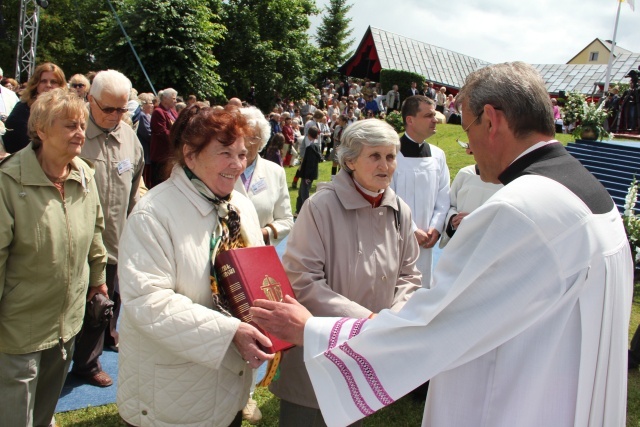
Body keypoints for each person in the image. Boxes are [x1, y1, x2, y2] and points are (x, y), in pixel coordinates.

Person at [251, 61, 633, 427]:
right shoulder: (584, 193)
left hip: (516, 404)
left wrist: (316, 331)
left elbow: (436, 326)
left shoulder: (519, 210)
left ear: (492, 120)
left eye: (466, 128)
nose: (466, 144)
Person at [116, 105, 273, 427]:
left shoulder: (239, 206)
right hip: (173, 395)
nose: (237, 164)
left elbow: (251, 276)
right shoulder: (153, 214)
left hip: (230, 387)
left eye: (243, 154)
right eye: (224, 153)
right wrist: (231, 332)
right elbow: (147, 302)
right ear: (190, 155)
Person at [269, 119, 421, 427]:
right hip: (319, 350)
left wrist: (394, 318)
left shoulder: (399, 210)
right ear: (349, 161)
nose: (385, 165)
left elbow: (410, 275)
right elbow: (303, 278)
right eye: (375, 156)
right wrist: (366, 321)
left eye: (390, 156)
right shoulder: (320, 207)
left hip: (369, 351)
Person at [0, 88, 107, 427]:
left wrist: (99, 279)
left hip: (67, 324)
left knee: (45, 415)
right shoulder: (8, 181)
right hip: (18, 328)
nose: (80, 133)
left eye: (82, 125)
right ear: (41, 130)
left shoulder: (84, 175)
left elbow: (95, 231)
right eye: (70, 126)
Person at [72, 69, 144, 388]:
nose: (116, 116)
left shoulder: (128, 135)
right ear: (90, 100)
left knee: (100, 306)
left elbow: (136, 174)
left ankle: (88, 364)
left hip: (113, 239)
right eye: (108, 109)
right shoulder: (73, 132)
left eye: (122, 109)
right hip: (74, 244)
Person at [391, 95, 449, 287]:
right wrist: (412, 230)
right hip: (397, 239)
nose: (435, 120)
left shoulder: (438, 155)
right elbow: (387, 197)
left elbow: (443, 195)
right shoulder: (391, 155)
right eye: (429, 115)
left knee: (422, 290)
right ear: (410, 120)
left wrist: (436, 227)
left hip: (427, 241)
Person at [235, 107, 293, 247]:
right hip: (223, 257)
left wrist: (264, 233)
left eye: (253, 138)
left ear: (262, 142)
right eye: (242, 137)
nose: (246, 144)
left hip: (258, 253)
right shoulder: (218, 169)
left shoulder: (275, 172)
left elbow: (286, 220)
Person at [439, 143, 502, 248]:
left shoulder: (510, 181)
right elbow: (450, 205)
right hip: (460, 244)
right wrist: (453, 219)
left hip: (490, 246)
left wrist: (475, 221)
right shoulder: (465, 174)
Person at [3, 62, 65, 153]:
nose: (48, 85)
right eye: (43, 81)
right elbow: (12, 138)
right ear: (36, 84)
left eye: (53, 82)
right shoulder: (23, 107)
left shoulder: (66, 110)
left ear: (60, 85)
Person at [150, 88, 178, 186]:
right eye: (173, 99)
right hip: (161, 154)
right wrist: (178, 136)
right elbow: (161, 132)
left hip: (170, 154)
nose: (175, 101)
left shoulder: (173, 112)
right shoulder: (158, 112)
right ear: (165, 99)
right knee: (160, 181)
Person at [296, 126, 321, 214]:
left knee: (304, 193)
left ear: (309, 135)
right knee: (301, 192)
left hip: (307, 174)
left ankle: (306, 212)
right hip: (307, 172)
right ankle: (298, 210)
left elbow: (309, 164)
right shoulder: (316, 145)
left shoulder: (310, 148)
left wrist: (307, 176)